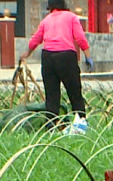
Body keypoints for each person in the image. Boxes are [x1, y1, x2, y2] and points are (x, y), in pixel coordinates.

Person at [20, 0, 93, 131]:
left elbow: (35, 39)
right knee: (74, 91)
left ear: (50, 6)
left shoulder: (46, 20)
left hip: (48, 57)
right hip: (66, 57)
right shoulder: (71, 17)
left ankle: (51, 126)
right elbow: (80, 38)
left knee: (52, 95)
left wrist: (27, 53)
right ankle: (81, 122)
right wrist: (88, 56)